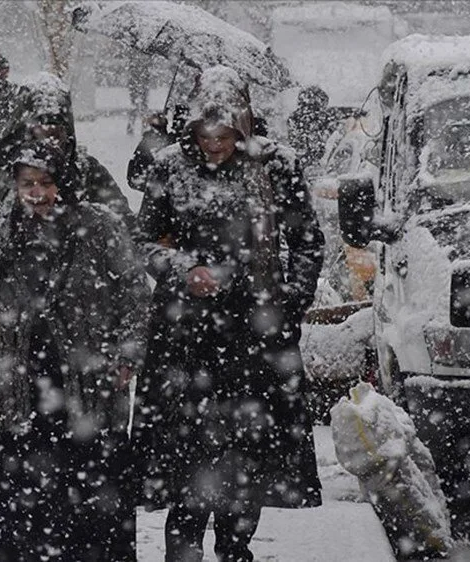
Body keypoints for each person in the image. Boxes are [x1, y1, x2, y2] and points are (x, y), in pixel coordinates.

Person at [132, 66, 325, 562]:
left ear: (242, 126)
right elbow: (143, 241)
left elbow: (306, 241)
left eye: (224, 135)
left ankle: (235, 548)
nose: (214, 145)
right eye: (204, 134)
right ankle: (185, 547)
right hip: (184, 333)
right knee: (186, 451)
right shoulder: (170, 166)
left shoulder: (277, 165)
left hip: (255, 334)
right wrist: (183, 268)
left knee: (248, 453)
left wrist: (288, 303)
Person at [0, 140, 149, 561]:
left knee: (89, 495)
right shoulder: (0, 232)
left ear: (65, 183)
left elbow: (134, 292)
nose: (37, 193)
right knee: (18, 504)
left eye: (45, 182)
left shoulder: (99, 227)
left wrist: (128, 353)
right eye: (27, 183)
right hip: (18, 382)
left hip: (87, 382)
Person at [0, 72, 132, 425]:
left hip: (80, 342)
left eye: (58, 125)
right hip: (11, 342)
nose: (50, 133)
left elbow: (126, 246)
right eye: (41, 124)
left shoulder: (89, 174)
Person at [286, 85, 337, 171]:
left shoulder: (294, 116)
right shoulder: (320, 116)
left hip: (298, 159)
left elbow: (293, 139)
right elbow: (338, 112)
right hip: (310, 159)